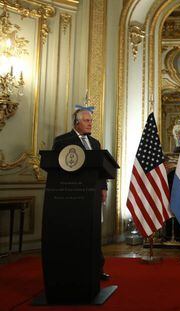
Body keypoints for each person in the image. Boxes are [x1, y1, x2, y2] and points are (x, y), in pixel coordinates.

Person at [52, 108, 110, 281]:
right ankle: (74, 270)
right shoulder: (62, 141)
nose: (90, 123)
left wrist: (103, 187)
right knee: (76, 232)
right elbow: (56, 167)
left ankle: (96, 270)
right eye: (87, 121)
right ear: (76, 122)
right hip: (72, 195)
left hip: (93, 195)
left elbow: (101, 169)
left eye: (91, 121)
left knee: (94, 232)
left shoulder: (95, 142)